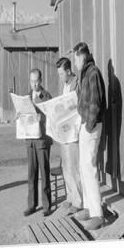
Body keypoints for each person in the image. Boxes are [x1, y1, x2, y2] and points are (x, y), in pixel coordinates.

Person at [73, 42, 106, 230]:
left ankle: (97, 215)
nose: (75, 63)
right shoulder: (86, 72)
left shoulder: (92, 72)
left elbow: (96, 103)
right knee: (83, 167)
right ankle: (88, 206)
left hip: (91, 127)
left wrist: (89, 125)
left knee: (90, 167)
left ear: (82, 56)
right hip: (86, 125)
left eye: (76, 59)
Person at [22, 68, 53, 217]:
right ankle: (31, 205)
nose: (34, 84)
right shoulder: (26, 97)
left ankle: (47, 206)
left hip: (42, 141)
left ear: (41, 81)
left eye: (36, 81)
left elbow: (52, 116)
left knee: (44, 173)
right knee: (31, 174)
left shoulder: (46, 96)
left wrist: (43, 118)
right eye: (31, 81)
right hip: (30, 140)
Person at [56, 57, 83, 214]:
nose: (60, 77)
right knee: (65, 166)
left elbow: (78, 106)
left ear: (68, 71)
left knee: (74, 167)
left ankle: (78, 201)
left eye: (61, 74)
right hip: (64, 131)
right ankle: (70, 197)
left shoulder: (76, 84)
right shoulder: (65, 85)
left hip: (73, 131)